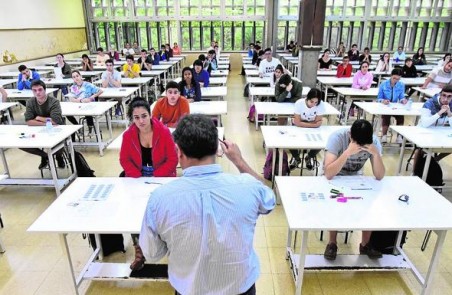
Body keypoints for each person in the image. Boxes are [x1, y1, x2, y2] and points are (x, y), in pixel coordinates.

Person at [139, 114, 275, 295]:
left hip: (190, 289)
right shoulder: (247, 186)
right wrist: (239, 161)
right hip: (241, 289)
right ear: (218, 148)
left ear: (178, 151)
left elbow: (152, 253)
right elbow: (269, 201)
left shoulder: (160, 199)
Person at [120, 96, 178, 270]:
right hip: (137, 177)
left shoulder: (164, 132)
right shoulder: (128, 135)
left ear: (150, 115)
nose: (141, 121)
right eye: (136, 117)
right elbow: (124, 159)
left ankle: (172, 249)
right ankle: (139, 251)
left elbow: (172, 159)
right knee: (135, 212)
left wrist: (155, 177)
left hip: (163, 175)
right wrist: (136, 175)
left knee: (165, 213)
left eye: (144, 116)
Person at [323, 119, 385, 261]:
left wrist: (375, 154)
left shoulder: (373, 142)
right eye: (359, 144)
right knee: (335, 204)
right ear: (350, 135)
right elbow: (328, 173)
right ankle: (332, 243)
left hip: (357, 179)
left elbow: (379, 175)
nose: (361, 147)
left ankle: (365, 244)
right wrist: (347, 153)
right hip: (335, 178)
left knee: (370, 203)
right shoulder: (337, 138)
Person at [21, 80, 66, 169]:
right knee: (21, 144)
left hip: (57, 129)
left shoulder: (54, 101)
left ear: (45, 90)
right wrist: (46, 123)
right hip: (38, 129)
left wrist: (38, 118)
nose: (37, 92)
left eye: (40, 90)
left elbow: (55, 121)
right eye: (34, 90)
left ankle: (59, 157)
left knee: (58, 141)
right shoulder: (30, 102)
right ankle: (45, 156)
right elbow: (28, 121)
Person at [288, 88, 326, 170]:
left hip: (312, 129)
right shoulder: (299, 103)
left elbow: (317, 123)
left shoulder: (321, 104)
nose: (314, 104)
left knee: (322, 142)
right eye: (312, 101)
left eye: (316, 102)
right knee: (289, 140)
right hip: (299, 128)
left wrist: (302, 123)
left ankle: (310, 157)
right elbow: (298, 123)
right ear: (307, 98)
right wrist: (313, 124)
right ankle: (296, 158)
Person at [377, 68, 407, 144]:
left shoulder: (401, 85)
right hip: (385, 106)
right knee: (386, 116)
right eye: (394, 78)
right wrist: (383, 101)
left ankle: (399, 136)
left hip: (395, 106)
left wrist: (403, 100)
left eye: (398, 79)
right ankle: (384, 135)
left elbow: (401, 97)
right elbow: (379, 98)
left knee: (401, 116)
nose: (395, 80)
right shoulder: (383, 84)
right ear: (391, 76)